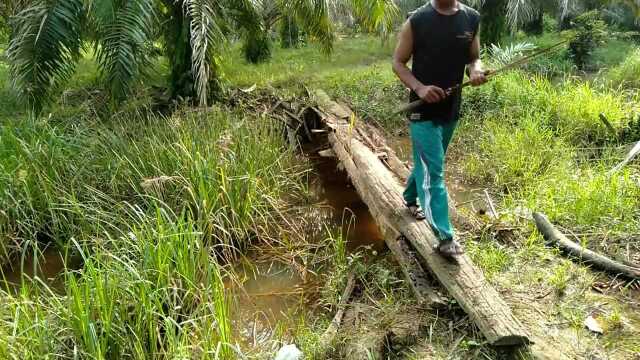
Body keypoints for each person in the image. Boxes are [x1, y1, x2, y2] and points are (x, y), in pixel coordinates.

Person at [392, 0, 486, 257]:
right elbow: (398, 63)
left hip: (451, 109)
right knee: (434, 171)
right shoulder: (416, 20)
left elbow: (473, 58)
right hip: (422, 110)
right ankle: (445, 237)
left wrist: (475, 71)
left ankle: (410, 197)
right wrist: (420, 88)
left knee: (430, 162)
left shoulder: (471, 18)